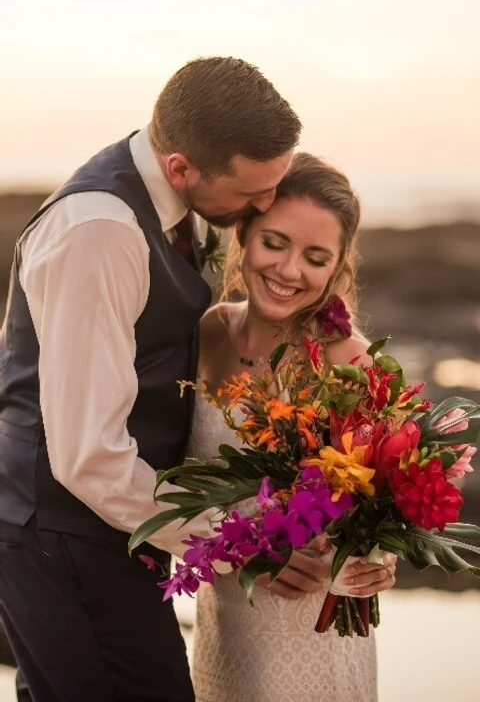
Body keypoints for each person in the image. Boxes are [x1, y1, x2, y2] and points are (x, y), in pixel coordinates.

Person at [0, 56, 311, 702]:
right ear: (180, 168)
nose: (265, 204)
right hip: (60, 534)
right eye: (254, 190)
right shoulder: (100, 233)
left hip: (113, 529)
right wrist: (243, 541)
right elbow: (89, 457)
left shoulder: (181, 206)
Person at [188, 152, 397, 702]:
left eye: (315, 256)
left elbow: (386, 499)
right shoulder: (209, 333)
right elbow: (182, 485)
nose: (288, 271)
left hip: (312, 640)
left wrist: (382, 558)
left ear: (337, 266)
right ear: (243, 235)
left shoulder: (350, 362)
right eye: (274, 242)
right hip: (223, 632)